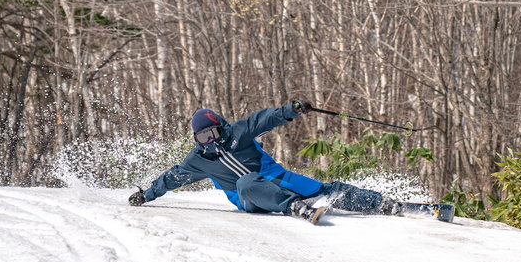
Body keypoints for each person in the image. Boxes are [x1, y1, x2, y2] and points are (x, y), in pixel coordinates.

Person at [128, 98, 389, 222]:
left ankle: (386, 204)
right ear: (197, 139)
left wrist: (291, 111)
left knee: (326, 191)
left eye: (214, 133)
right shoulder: (198, 160)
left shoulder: (239, 132)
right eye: (204, 137)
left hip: (279, 178)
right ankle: (293, 207)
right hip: (248, 197)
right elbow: (171, 178)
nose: (211, 140)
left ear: (222, 126)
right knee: (247, 181)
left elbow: (265, 118)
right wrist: (147, 194)